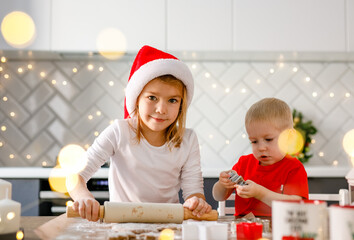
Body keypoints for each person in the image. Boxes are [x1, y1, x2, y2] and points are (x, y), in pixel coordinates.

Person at [68, 45, 212, 222]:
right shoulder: (119, 131)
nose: (161, 109)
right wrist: (84, 197)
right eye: (152, 98)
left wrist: (196, 202)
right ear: (136, 99)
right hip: (121, 227)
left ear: (181, 106)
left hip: (168, 228)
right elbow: (75, 176)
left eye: (172, 100)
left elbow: (193, 192)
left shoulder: (188, 140)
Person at [212, 97, 309, 217]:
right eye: (254, 141)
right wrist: (222, 184)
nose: (261, 147)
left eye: (268, 139)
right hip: (244, 230)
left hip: (277, 230)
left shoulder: (294, 168)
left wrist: (260, 193)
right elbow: (218, 196)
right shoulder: (244, 163)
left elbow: (296, 206)